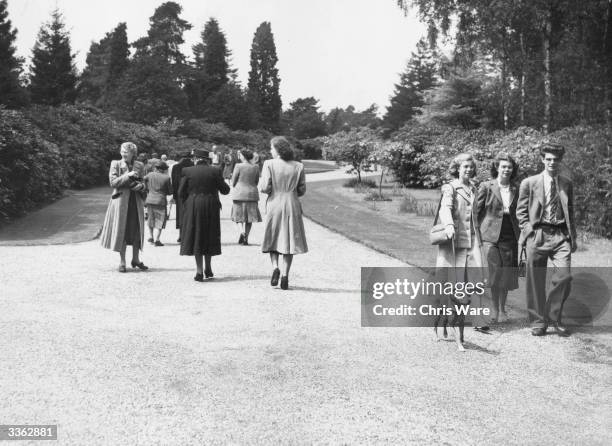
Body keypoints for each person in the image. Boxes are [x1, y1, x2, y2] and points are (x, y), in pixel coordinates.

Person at [516, 142, 576, 337]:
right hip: (538, 234)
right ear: (542, 159)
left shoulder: (566, 183)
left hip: (560, 235)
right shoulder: (529, 183)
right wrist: (529, 232)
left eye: (555, 159)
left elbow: (571, 211)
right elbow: (521, 212)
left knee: (564, 276)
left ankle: (554, 316)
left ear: (560, 161)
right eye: (548, 159)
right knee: (535, 280)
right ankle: (538, 322)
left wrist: (571, 236)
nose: (552, 162)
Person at [436, 153, 489, 348]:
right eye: (465, 166)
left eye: (470, 167)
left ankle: (461, 326)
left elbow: (476, 216)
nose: (468, 170)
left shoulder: (474, 188)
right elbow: (445, 208)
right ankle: (445, 322)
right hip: (453, 245)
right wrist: (449, 225)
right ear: (457, 168)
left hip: (471, 243)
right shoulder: (450, 187)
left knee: (470, 285)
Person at [259, 136, 308, 290]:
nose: (270, 151)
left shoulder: (269, 164)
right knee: (289, 240)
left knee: (273, 237)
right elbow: (302, 190)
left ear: (278, 149)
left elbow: (265, 188)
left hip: (275, 203)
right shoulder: (298, 166)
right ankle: (285, 276)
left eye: (271, 148)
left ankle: (275, 268)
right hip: (292, 204)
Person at [477, 153, 520, 323]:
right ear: (497, 168)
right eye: (503, 166)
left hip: (510, 235)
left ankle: (503, 309)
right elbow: (476, 211)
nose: (506, 170)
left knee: (507, 274)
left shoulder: (517, 188)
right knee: (494, 274)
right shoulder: (486, 186)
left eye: (509, 167)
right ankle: (494, 309)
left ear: (512, 169)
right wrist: (475, 234)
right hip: (490, 236)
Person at [179, 148, 230, 281]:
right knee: (209, 235)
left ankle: (199, 271)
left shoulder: (187, 171)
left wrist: (188, 202)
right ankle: (208, 267)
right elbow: (225, 190)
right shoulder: (215, 171)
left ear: (195, 159)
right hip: (211, 205)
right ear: (207, 159)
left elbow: (180, 192)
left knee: (197, 236)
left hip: (193, 205)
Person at [100, 142, 148, 272]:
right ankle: (122, 262)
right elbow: (113, 182)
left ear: (133, 153)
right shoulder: (115, 164)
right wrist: (128, 175)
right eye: (122, 151)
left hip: (135, 202)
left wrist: (142, 187)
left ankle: (136, 259)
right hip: (121, 202)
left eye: (126, 152)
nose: (123, 154)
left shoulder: (140, 165)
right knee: (123, 230)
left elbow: (144, 182)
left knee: (137, 231)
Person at [231, 149, 262, 245]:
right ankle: (246, 237)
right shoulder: (255, 167)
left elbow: (233, 181)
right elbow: (256, 181)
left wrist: (236, 185)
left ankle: (242, 232)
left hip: (239, 193)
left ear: (243, 156)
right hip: (252, 193)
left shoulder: (238, 166)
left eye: (240, 155)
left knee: (238, 216)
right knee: (250, 217)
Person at [144, 160, 173, 246]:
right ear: (163, 169)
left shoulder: (149, 175)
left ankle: (151, 237)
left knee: (150, 219)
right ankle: (157, 239)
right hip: (160, 200)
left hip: (150, 199)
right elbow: (170, 191)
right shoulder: (166, 178)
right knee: (160, 220)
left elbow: (144, 184)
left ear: (156, 168)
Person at [171, 150, 193, 242]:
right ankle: (190, 235)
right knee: (191, 214)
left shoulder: (176, 167)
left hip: (180, 194)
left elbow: (174, 182)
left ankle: (181, 235)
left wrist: (175, 196)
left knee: (180, 215)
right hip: (191, 193)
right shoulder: (193, 166)